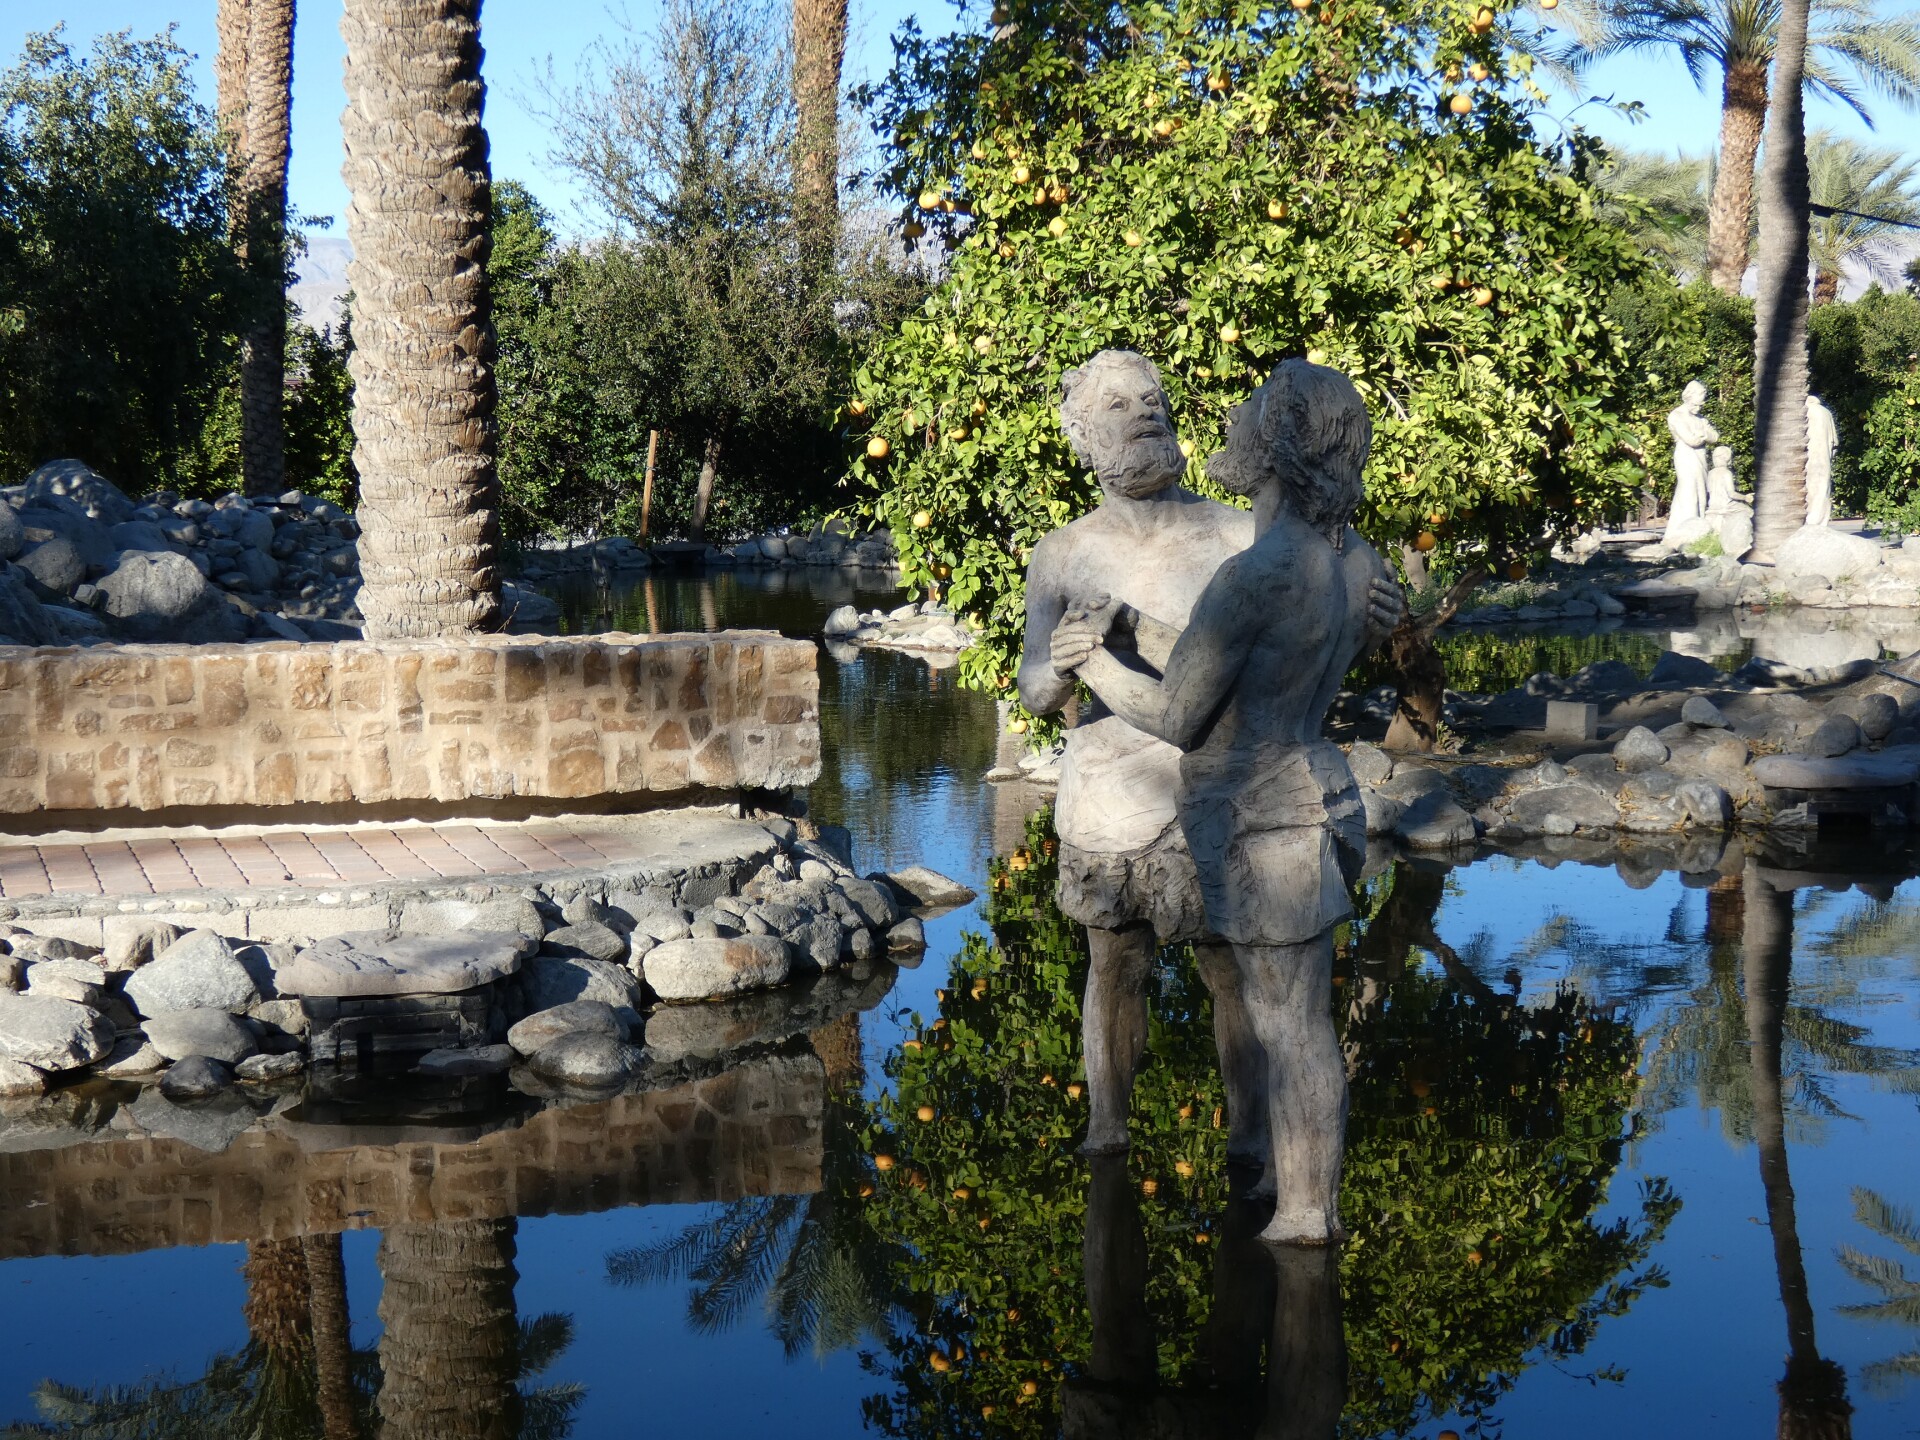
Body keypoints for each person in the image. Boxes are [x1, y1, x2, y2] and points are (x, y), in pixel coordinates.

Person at [1050, 359, 1395, 1244]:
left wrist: (1093, 659)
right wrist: (1131, 627)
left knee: (1284, 1018)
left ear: (1277, 444)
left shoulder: (1250, 564)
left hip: (1259, 809)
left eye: (1249, 414)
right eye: (1119, 406)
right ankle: (1294, 1196)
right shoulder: (1337, 558)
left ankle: (1306, 1210)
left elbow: (1182, 709)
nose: (1220, 421)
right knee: (1293, 1012)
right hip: (1315, 787)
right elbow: (1237, 649)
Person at [1017, 349, 1264, 1163]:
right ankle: (1108, 1128)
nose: (1147, 413)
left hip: (1215, 787)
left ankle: (1251, 1137)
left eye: (1153, 400)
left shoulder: (1236, 534)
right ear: (1083, 438)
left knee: (1230, 969)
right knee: (1113, 964)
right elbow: (1033, 690)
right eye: (1120, 406)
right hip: (1108, 794)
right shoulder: (1063, 552)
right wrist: (1059, 660)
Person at [1664, 381, 1718, 546]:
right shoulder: (1676, 415)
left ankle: (1698, 529)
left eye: (1702, 404)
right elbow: (1691, 440)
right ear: (1689, 397)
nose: (1700, 407)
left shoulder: (1700, 418)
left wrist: (1701, 434)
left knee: (1701, 489)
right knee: (1688, 490)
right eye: (1698, 403)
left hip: (1700, 455)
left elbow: (1715, 437)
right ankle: (1683, 530)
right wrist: (1703, 435)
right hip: (1686, 455)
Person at [1806, 394, 1839, 528]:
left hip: (1807, 455)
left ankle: (1810, 520)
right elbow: (1834, 442)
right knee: (1823, 488)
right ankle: (1820, 522)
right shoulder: (1826, 412)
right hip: (1823, 456)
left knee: (1809, 488)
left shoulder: (1804, 411)